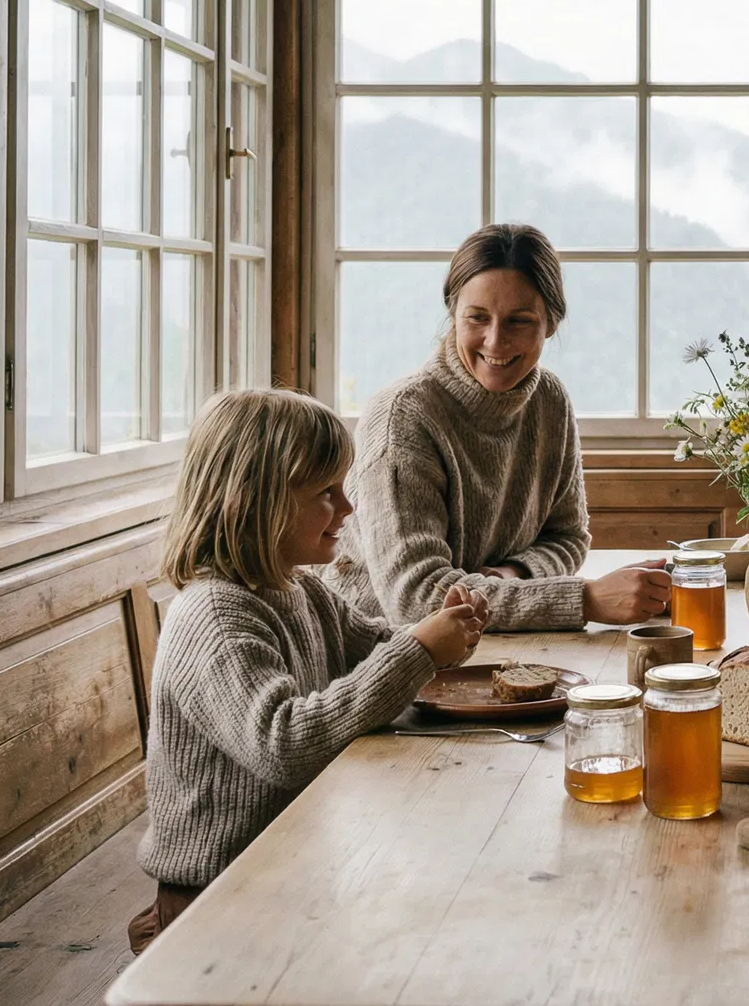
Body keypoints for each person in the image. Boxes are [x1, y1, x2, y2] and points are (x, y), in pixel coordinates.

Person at [131, 389, 489, 953]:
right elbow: (284, 743)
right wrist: (420, 651)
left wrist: (447, 635)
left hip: (292, 862)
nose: (347, 508)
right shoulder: (214, 614)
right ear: (253, 500)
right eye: (327, 491)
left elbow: (376, 647)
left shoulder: (300, 589)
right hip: (221, 895)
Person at [329, 223, 670, 630]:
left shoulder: (549, 400)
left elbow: (568, 537)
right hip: (382, 651)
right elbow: (416, 597)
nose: (495, 341)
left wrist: (517, 573)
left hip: (492, 642)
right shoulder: (402, 417)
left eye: (519, 321)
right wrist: (585, 601)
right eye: (477, 318)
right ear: (453, 315)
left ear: (551, 324)